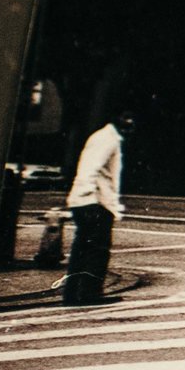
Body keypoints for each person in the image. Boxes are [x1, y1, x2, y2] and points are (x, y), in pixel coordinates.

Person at [61, 112, 130, 305]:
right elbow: (90, 169)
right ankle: (89, 293)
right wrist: (89, 197)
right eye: (126, 117)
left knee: (82, 249)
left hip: (87, 201)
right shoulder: (107, 139)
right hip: (94, 202)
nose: (130, 122)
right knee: (97, 250)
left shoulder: (105, 137)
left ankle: (72, 294)